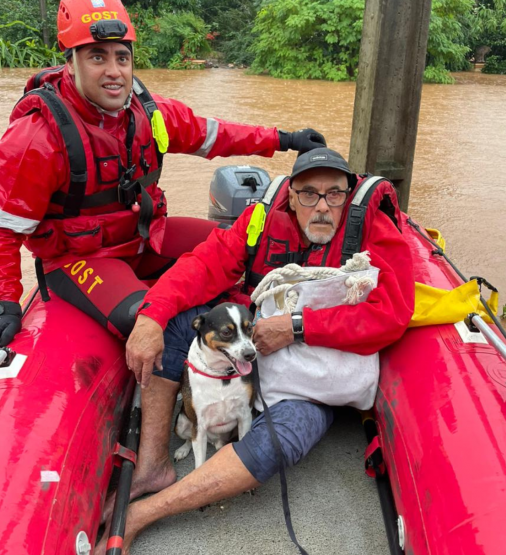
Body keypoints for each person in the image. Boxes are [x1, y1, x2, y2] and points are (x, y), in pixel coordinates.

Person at [0, 0, 326, 362]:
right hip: (80, 259)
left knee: (251, 248)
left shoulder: (147, 112)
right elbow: (0, 230)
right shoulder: (36, 138)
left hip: (146, 238)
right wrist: (6, 305)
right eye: (97, 57)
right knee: (145, 318)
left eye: (122, 57)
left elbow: (214, 135)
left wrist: (284, 139)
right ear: (71, 62)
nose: (114, 71)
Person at [119, 147, 415, 552]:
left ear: (349, 193)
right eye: (309, 194)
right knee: (173, 320)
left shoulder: (373, 227)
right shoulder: (261, 217)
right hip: (251, 342)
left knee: (283, 439)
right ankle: (154, 463)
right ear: (291, 197)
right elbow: (207, 263)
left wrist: (297, 327)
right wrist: (152, 314)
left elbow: (392, 315)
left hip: (313, 378)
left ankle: (144, 513)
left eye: (335, 194)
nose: (323, 206)